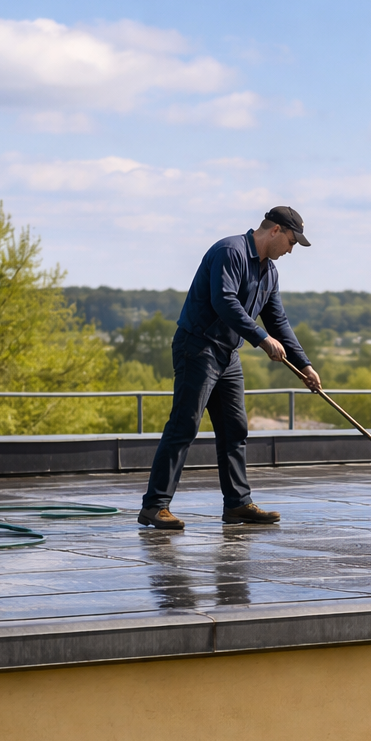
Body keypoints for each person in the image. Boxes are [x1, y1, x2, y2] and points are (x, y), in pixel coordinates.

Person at [137, 207, 323, 530]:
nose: (292, 250)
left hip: (228, 356)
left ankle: (237, 504)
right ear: (275, 230)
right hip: (198, 347)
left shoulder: (269, 273)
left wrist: (304, 364)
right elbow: (224, 301)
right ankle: (155, 506)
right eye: (292, 242)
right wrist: (261, 338)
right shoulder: (230, 252)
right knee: (185, 425)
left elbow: (278, 321)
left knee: (235, 429)